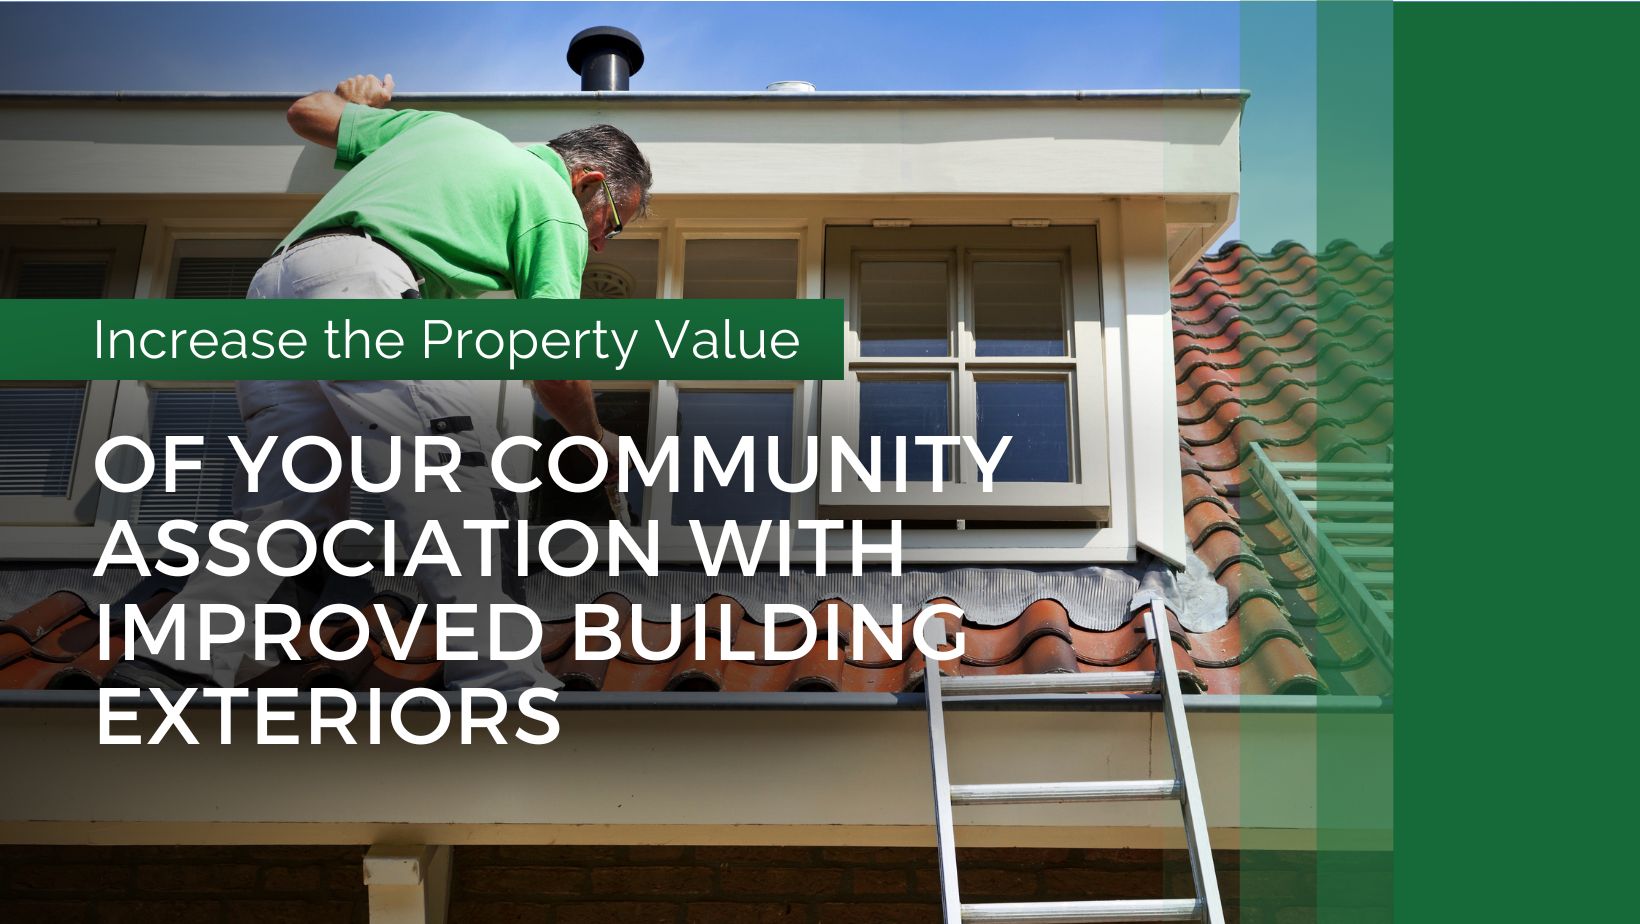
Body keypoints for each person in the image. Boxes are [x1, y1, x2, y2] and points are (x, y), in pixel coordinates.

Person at [105, 73, 652, 691]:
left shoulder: (440, 130)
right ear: (589, 182)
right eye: (614, 224)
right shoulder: (555, 203)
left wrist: (357, 107)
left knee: (287, 510)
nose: (602, 243)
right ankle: (503, 680)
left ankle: (171, 666)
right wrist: (591, 435)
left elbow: (308, 111)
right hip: (366, 284)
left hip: (275, 286)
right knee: (458, 481)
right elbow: (553, 358)